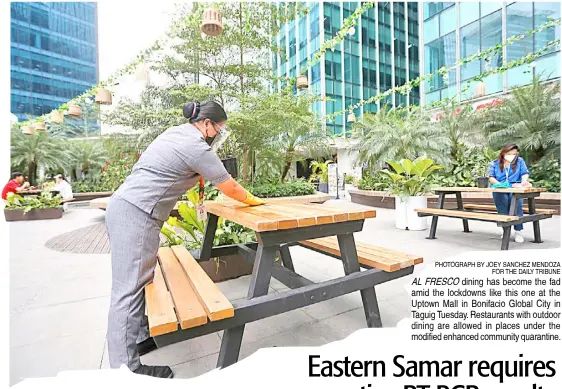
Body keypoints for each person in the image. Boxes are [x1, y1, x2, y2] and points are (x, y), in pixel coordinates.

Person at [104, 100, 264, 379]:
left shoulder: (173, 134)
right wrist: (257, 202)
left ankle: (140, 337)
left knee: (138, 281)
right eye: (219, 129)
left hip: (129, 209)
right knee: (127, 290)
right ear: (205, 124)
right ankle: (125, 371)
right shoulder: (195, 146)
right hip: (137, 214)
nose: (218, 134)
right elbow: (232, 187)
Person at [488, 143, 531, 244]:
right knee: (502, 207)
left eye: (514, 154)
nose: (512, 156)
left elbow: (524, 173)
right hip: (500, 188)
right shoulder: (495, 163)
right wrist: (499, 184)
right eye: (509, 153)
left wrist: (524, 181)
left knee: (517, 206)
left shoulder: (520, 161)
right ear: (503, 152)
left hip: (515, 187)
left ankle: (518, 231)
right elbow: (491, 177)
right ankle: (505, 230)